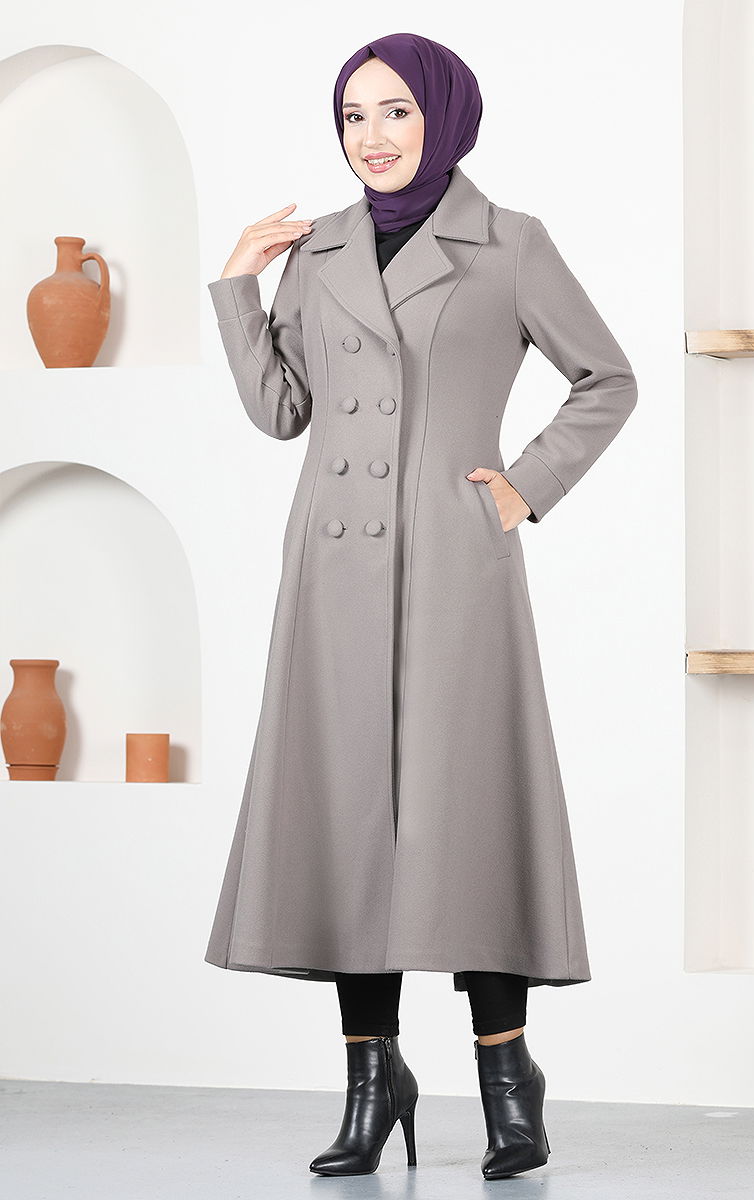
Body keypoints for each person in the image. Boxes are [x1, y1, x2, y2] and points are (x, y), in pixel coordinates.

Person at [206, 31, 637, 1181]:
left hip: (454, 563)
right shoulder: (318, 250)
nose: (373, 136)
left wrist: (523, 486)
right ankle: (371, 1080)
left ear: (443, 115)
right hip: (334, 566)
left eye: (395, 111)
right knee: (348, 815)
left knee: (465, 812)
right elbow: (281, 412)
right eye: (353, 116)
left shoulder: (508, 243)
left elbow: (606, 377)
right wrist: (237, 285)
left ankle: (507, 1081)